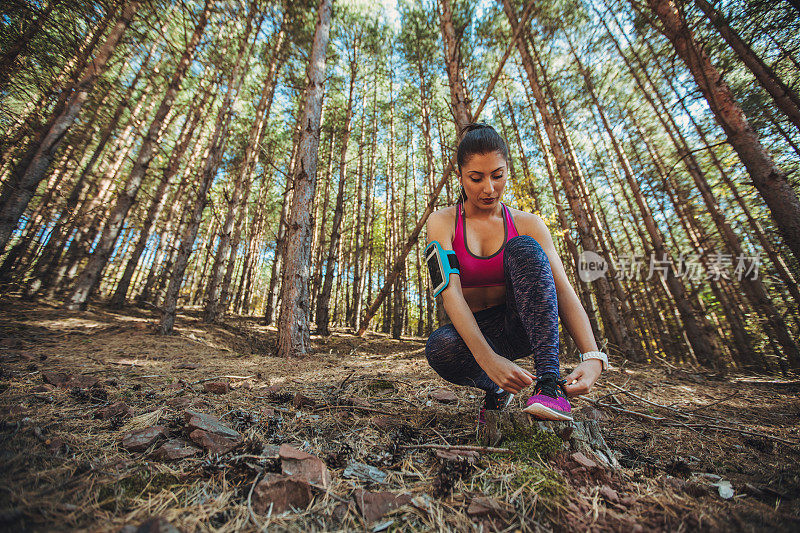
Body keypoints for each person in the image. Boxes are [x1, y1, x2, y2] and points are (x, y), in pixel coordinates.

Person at [424, 123, 608, 423]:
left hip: (524, 324)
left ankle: (550, 384)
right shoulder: (442, 222)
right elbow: (451, 294)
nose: (489, 188)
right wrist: (489, 361)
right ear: (459, 176)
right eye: (476, 178)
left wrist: (594, 357)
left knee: (523, 246)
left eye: (498, 176)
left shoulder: (529, 223)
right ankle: (496, 387)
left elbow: (562, 290)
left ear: (507, 171)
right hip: (477, 333)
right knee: (440, 348)